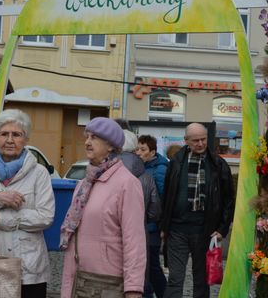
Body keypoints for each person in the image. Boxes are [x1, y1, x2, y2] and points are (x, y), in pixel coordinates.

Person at [0, 109, 55, 298]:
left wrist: (2, 219)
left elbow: (46, 217)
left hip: (28, 268)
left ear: (26, 139)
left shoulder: (39, 174)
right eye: (4, 134)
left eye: (17, 134)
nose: (10, 140)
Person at [59, 117, 146, 298]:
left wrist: (133, 288)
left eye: (95, 138)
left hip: (107, 283)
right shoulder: (84, 184)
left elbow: (134, 241)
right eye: (87, 136)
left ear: (111, 146)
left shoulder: (127, 183)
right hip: (78, 278)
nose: (87, 142)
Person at [160, 123, 235, 298]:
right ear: (186, 141)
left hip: (205, 232)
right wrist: (164, 226)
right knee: (175, 279)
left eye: (203, 139)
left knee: (201, 281)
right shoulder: (176, 162)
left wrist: (222, 229)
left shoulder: (218, 164)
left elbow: (228, 199)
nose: (200, 144)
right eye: (195, 140)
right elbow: (167, 195)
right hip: (177, 231)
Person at [137, 134, 169, 298]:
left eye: (143, 149)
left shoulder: (159, 169)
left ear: (152, 152)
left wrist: (163, 226)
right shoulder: (142, 167)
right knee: (146, 266)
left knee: (152, 266)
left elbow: (164, 199)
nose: (139, 152)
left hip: (153, 226)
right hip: (144, 226)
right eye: (138, 148)